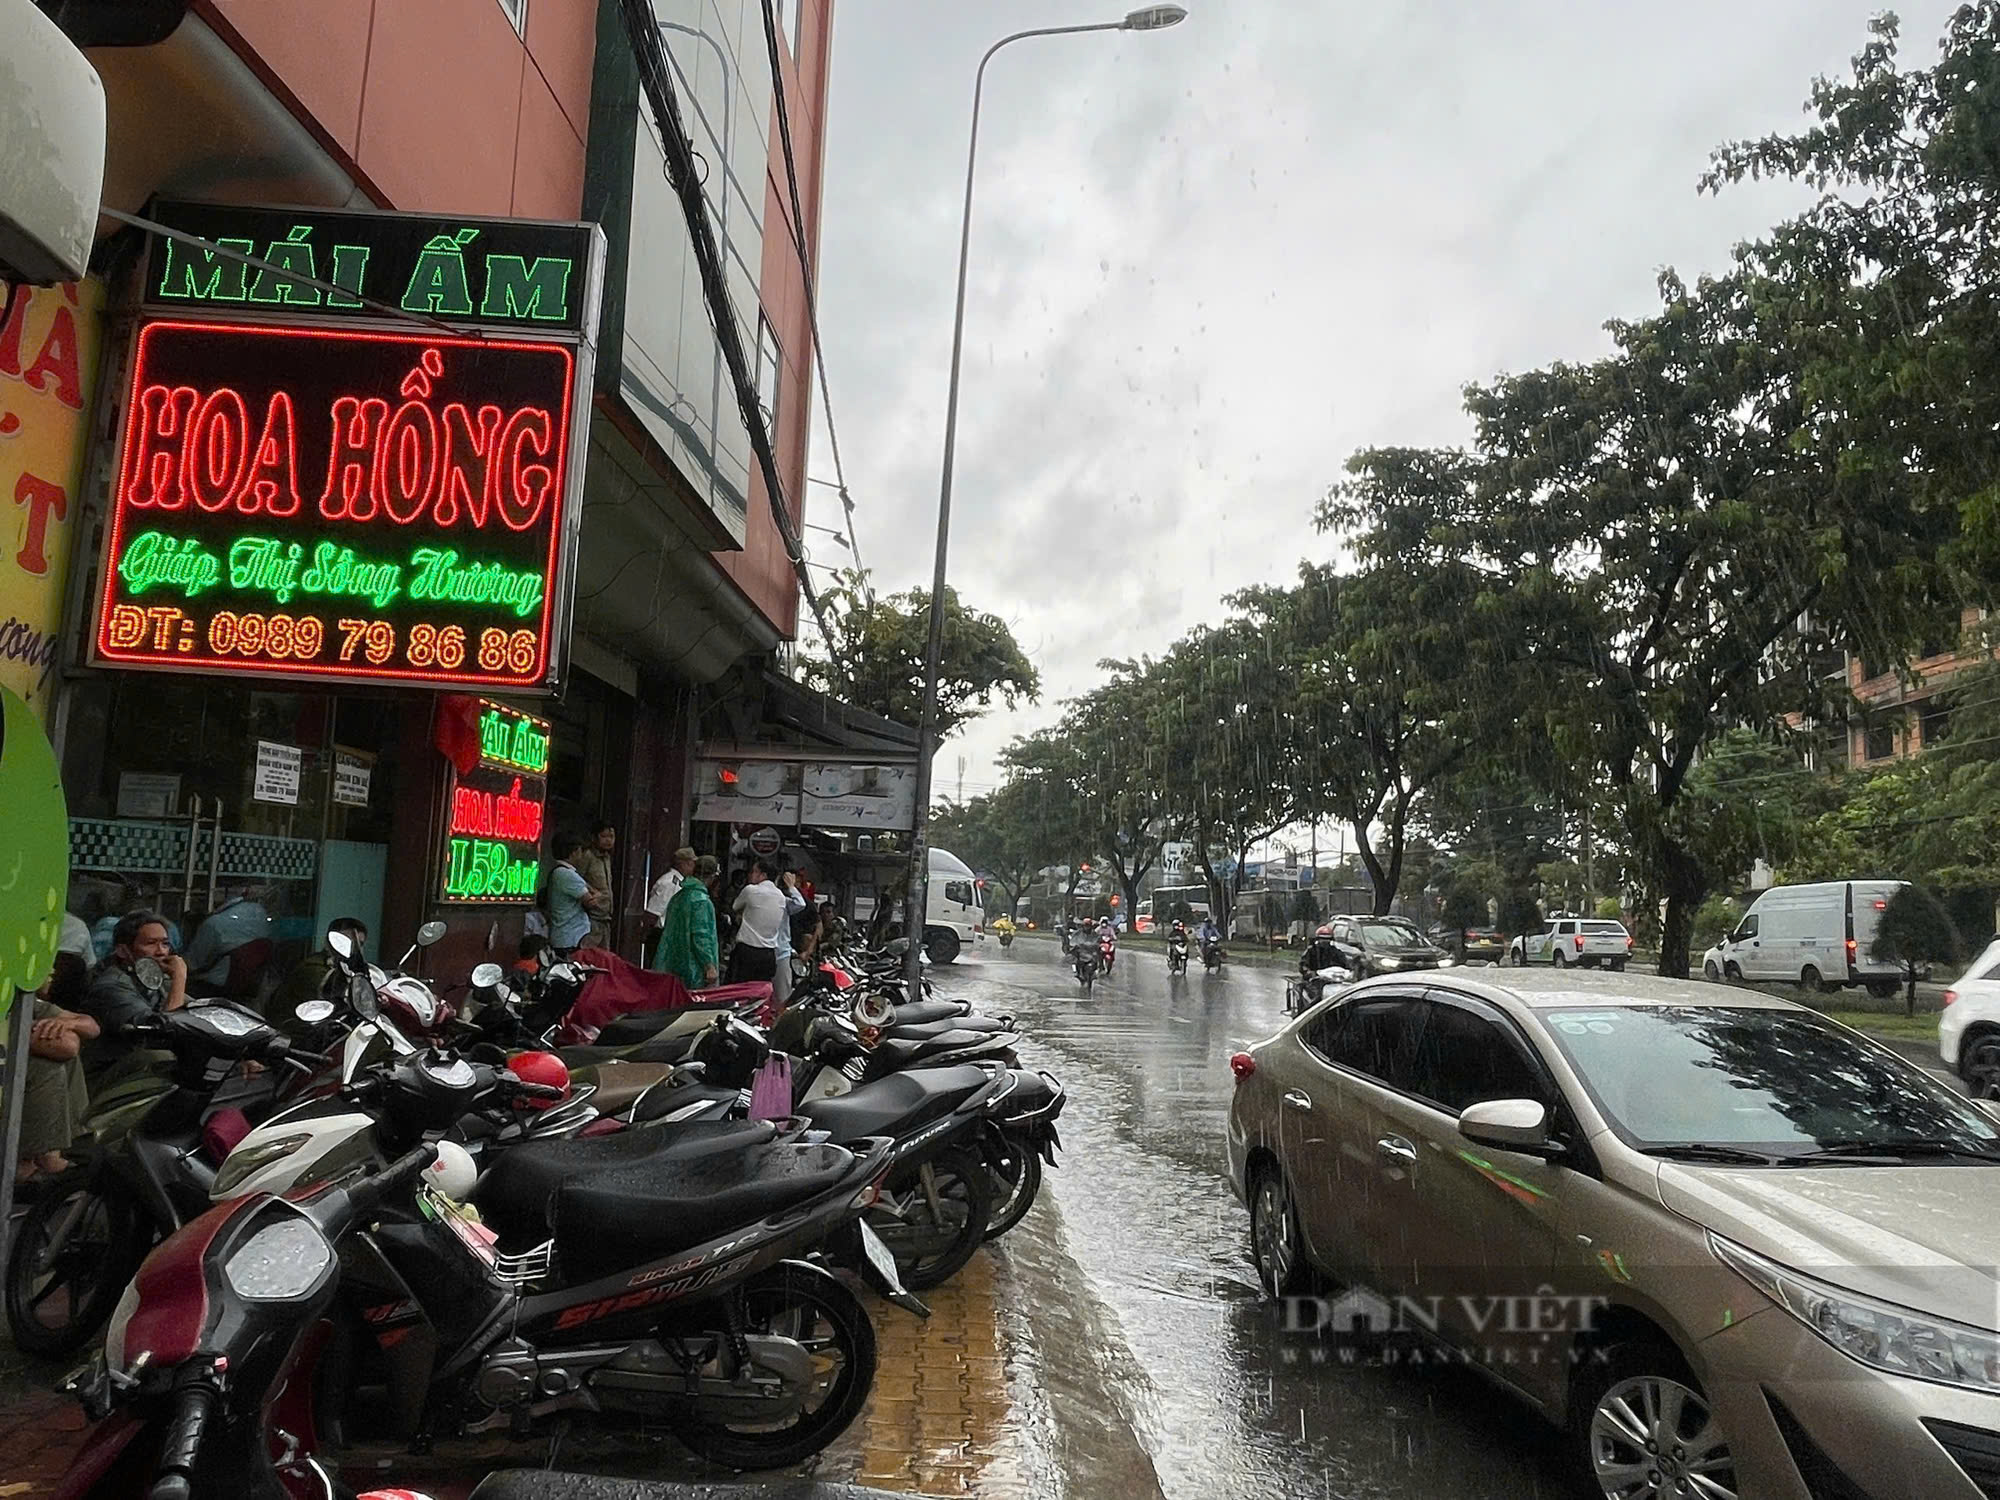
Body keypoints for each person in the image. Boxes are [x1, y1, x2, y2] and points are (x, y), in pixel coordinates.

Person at [76, 909, 188, 1089]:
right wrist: (180, 978)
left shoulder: (155, 982)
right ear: (122, 951)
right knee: (161, 1057)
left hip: (136, 1077)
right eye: (151, 944)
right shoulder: (110, 987)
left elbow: (198, 1011)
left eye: (165, 944)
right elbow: (165, 1032)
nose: (160, 952)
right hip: (102, 1081)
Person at [269, 916, 368, 1025]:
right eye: (347, 941)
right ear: (330, 940)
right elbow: (329, 995)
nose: (353, 948)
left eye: (359, 944)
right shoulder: (314, 968)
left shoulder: (349, 970)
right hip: (293, 1031)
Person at [182, 884, 274, 994]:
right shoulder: (260, 913)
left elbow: (192, 964)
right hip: (255, 988)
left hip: (214, 988)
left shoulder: (213, 924)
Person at [655, 854, 721, 987]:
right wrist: (709, 966)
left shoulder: (679, 897)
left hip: (672, 966)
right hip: (694, 970)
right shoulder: (701, 901)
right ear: (713, 876)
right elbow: (701, 936)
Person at [728, 858, 787, 986]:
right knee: (760, 992)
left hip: (747, 952)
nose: (750, 875)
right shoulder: (781, 897)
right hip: (768, 954)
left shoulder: (751, 890)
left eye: (754, 872)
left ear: (763, 875)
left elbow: (735, 906)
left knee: (740, 990)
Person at [546, 833, 608, 954]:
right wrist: (599, 897)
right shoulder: (566, 874)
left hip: (567, 936)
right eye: (581, 851)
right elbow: (591, 901)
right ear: (574, 852)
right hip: (571, 937)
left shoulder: (563, 872)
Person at [643, 847, 697, 964]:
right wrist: (645, 935)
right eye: (691, 863)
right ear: (683, 863)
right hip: (661, 935)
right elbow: (653, 912)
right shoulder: (669, 883)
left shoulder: (681, 881)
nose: (693, 867)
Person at [769, 869, 809, 1008]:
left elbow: (800, 904)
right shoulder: (762, 897)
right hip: (767, 951)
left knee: (782, 997)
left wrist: (791, 887)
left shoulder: (784, 901)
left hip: (781, 953)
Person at [575, 820, 617, 948]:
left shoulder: (607, 858)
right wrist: (591, 892)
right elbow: (576, 878)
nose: (608, 840)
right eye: (604, 837)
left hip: (606, 917)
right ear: (594, 838)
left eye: (611, 837)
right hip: (591, 917)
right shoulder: (587, 856)